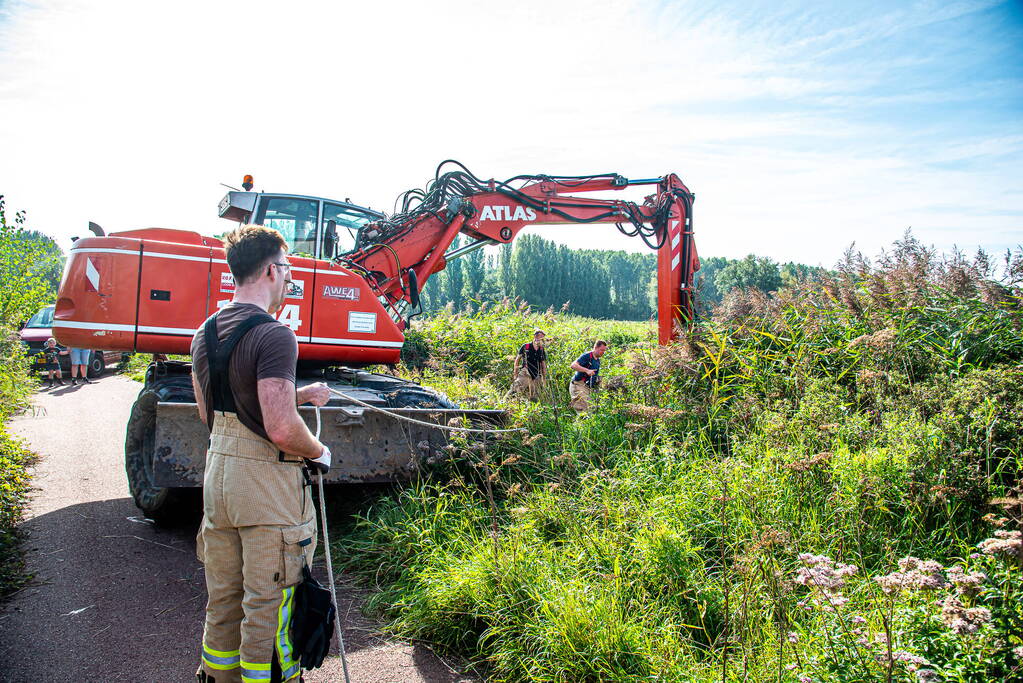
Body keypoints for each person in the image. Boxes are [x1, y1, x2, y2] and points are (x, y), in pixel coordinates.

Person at [190, 224, 331, 683]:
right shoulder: (275, 335)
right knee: (269, 604)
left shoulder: (204, 333)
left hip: (220, 479)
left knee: (225, 597)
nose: (289, 280)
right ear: (272, 270)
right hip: (266, 490)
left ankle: (216, 677)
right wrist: (319, 451)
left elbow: (210, 411)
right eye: (287, 270)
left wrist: (299, 393)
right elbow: (281, 428)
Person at [507, 329, 548, 401]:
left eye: (542, 338)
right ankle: (505, 403)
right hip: (525, 372)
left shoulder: (541, 349)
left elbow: (543, 364)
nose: (542, 340)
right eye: (541, 338)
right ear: (535, 337)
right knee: (515, 390)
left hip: (536, 374)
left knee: (534, 396)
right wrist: (515, 374)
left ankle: (531, 409)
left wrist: (544, 379)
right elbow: (517, 360)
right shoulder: (526, 346)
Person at [569, 340, 607, 412]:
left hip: (587, 388)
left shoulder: (597, 360)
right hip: (578, 385)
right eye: (601, 350)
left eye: (604, 350)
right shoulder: (587, 356)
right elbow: (573, 365)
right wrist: (587, 370)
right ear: (595, 347)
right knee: (583, 411)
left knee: (591, 409)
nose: (603, 352)